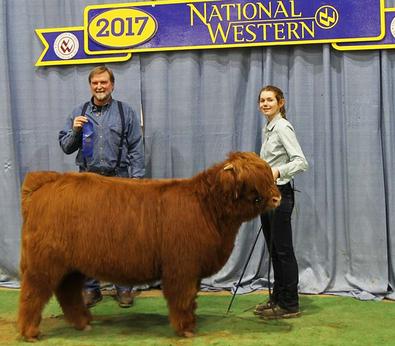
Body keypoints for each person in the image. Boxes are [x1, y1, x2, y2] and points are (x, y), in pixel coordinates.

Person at [59, 65, 145, 308]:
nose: (99, 86)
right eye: (95, 83)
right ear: (90, 85)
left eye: (104, 82)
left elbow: (137, 148)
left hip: (119, 180)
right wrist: (76, 130)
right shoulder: (79, 112)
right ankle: (91, 288)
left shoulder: (124, 112)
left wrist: (137, 182)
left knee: (122, 236)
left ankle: (124, 288)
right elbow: (66, 146)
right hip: (87, 182)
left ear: (112, 85)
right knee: (88, 238)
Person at [254, 85, 308, 319]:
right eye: (262, 100)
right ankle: (278, 297)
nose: (265, 104)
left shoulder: (283, 127)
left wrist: (277, 171)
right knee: (274, 249)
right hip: (267, 195)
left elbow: (301, 161)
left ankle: (290, 304)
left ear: (281, 103)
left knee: (283, 250)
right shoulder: (269, 128)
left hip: (280, 194)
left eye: (270, 100)